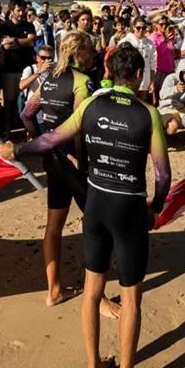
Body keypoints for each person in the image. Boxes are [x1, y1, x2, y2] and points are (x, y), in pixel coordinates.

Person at [0, 43, 171, 368]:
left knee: (92, 292)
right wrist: (157, 207)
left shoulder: (92, 104)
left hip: (96, 205)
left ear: (110, 73)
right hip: (129, 207)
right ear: (139, 75)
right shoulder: (148, 113)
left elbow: (51, 139)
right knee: (131, 298)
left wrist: (18, 149)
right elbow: (163, 174)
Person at [18, 31, 109, 309]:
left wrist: (41, 142)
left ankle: (54, 290)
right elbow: (82, 126)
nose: (93, 53)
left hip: (52, 159)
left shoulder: (46, 80)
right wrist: (78, 157)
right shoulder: (83, 82)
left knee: (53, 226)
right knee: (97, 228)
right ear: (78, 53)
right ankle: (100, 299)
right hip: (74, 163)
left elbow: (26, 114)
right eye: (90, 49)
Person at [0, 0, 36, 138]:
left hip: (26, 69)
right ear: (12, 11)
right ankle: (7, 130)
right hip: (9, 69)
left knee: (28, 101)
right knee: (9, 102)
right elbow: (5, 45)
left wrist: (14, 40)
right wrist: (22, 42)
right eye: (18, 10)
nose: (21, 13)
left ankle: (29, 131)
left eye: (23, 10)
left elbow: (31, 41)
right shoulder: (4, 26)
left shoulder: (29, 26)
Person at [121, 18, 156, 102]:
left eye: (143, 28)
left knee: (141, 104)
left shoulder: (150, 43)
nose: (141, 30)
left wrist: (152, 82)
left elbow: (153, 65)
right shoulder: (125, 41)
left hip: (144, 81)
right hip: (129, 81)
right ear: (133, 27)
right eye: (138, 28)